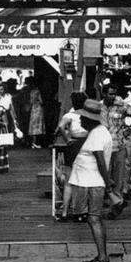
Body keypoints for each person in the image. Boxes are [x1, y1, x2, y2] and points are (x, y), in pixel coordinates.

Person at [67, 99, 113, 262]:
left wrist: (108, 184)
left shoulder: (97, 134)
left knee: (93, 218)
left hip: (93, 182)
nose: (80, 121)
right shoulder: (99, 132)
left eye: (83, 118)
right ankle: (102, 254)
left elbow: (101, 161)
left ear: (91, 119)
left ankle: (102, 257)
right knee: (96, 218)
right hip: (92, 180)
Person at [100, 84, 131, 214]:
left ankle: (116, 206)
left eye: (114, 93)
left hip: (119, 145)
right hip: (103, 147)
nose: (113, 96)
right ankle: (114, 201)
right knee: (104, 175)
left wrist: (129, 130)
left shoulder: (121, 105)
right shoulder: (98, 107)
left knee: (118, 177)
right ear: (104, 94)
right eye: (110, 94)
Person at [54, 91, 88, 220]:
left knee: (69, 181)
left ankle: (64, 212)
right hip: (84, 143)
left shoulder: (70, 115)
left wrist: (67, 139)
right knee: (83, 180)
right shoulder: (87, 115)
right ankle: (79, 211)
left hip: (72, 144)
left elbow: (61, 127)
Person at [26, 77, 45, 148]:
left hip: (33, 109)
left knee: (33, 126)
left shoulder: (31, 92)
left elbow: (30, 101)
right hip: (38, 109)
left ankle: (33, 142)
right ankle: (37, 143)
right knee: (39, 125)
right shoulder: (37, 91)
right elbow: (41, 101)